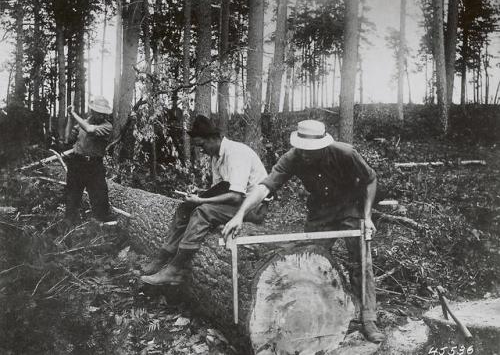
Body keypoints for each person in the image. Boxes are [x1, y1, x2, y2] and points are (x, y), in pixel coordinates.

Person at [222, 119, 385, 343]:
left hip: (350, 208)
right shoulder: (292, 158)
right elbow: (264, 186)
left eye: (312, 151)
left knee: (361, 262)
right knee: (310, 262)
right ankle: (314, 315)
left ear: (323, 145)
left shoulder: (345, 153)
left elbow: (370, 179)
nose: (306, 155)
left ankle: (368, 318)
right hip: (320, 212)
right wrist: (239, 215)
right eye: (303, 150)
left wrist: (367, 217)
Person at [141, 115, 268, 285]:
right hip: (238, 201)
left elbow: (236, 195)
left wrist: (201, 201)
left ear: (214, 138)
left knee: (203, 211)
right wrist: (200, 194)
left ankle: (175, 270)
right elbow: (222, 188)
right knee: (186, 207)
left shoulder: (236, 153)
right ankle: (164, 255)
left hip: (254, 207)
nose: (202, 150)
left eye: (202, 145)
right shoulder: (216, 157)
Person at [63, 95, 116, 227]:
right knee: (72, 197)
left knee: (100, 197)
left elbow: (90, 129)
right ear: (93, 111)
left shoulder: (107, 126)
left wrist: (74, 113)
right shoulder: (82, 123)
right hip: (77, 163)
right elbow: (67, 138)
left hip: (94, 165)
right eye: (99, 113)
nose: (102, 116)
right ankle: (69, 228)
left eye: (104, 114)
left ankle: (100, 228)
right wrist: (70, 117)